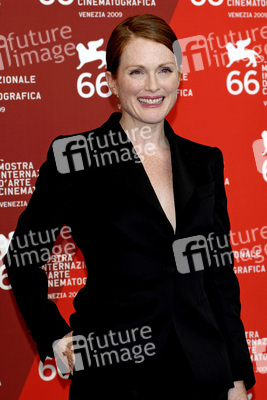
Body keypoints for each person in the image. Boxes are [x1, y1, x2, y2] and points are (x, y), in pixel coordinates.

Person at [5, 14, 255, 400]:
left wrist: (237, 375)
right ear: (111, 83)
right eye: (137, 71)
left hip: (203, 372)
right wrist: (54, 335)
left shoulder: (205, 162)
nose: (153, 86)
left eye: (165, 70)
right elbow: (23, 256)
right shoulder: (75, 157)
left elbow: (219, 275)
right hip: (114, 376)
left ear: (179, 77)